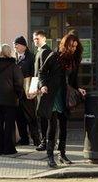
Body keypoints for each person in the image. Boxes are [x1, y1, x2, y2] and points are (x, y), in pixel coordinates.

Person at [37, 33, 86, 168]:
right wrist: (43, 85)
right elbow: (42, 72)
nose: (74, 49)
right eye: (71, 46)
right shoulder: (54, 56)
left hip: (65, 96)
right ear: (65, 45)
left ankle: (62, 154)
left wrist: (79, 88)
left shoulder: (75, 60)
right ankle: (50, 156)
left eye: (76, 46)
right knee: (52, 127)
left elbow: (73, 80)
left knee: (64, 127)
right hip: (52, 95)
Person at [0, 44, 23, 155]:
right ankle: (9, 149)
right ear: (9, 53)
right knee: (9, 125)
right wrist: (18, 95)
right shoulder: (14, 66)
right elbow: (19, 83)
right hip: (10, 100)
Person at [14, 36, 40, 147]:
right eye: (14, 44)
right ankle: (24, 138)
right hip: (17, 93)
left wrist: (33, 90)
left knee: (31, 117)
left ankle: (36, 139)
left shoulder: (31, 57)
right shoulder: (14, 57)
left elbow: (35, 74)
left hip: (28, 91)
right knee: (19, 116)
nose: (15, 46)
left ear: (24, 46)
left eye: (17, 44)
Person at [33, 30, 52, 151]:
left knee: (44, 116)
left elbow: (43, 72)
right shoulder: (40, 51)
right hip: (40, 88)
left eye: (37, 39)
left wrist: (39, 87)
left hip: (43, 90)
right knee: (42, 116)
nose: (35, 41)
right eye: (34, 39)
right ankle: (45, 141)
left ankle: (45, 142)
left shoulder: (45, 52)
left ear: (44, 38)